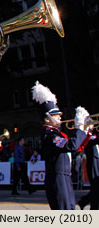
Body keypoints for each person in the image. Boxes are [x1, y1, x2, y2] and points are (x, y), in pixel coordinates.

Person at [31, 81, 91, 209]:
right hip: (58, 179)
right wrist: (79, 127)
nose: (60, 118)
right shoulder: (50, 136)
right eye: (56, 116)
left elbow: (76, 147)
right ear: (48, 119)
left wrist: (86, 131)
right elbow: (72, 145)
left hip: (64, 177)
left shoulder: (56, 134)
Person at [77, 128, 99, 210]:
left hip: (97, 162)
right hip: (93, 163)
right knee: (96, 187)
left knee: (96, 188)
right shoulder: (87, 135)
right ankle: (93, 208)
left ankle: (84, 201)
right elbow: (91, 142)